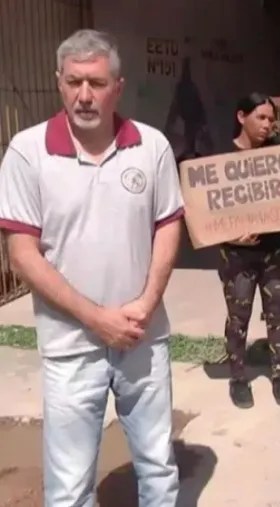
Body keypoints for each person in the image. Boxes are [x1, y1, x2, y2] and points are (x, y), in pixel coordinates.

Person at [0, 29, 181, 505]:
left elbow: (168, 227)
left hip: (143, 337)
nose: (85, 95)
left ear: (117, 87)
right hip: (69, 346)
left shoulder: (152, 146)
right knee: (69, 487)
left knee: (159, 469)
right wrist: (96, 318)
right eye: (75, 81)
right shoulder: (27, 152)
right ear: (59, 82)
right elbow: (22, 253)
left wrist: (144, 304)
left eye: (97, 83)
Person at [216, 92, 280, 409]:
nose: (267, 125)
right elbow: (207, 213)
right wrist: (233, 236)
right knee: (238, 318)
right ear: (241, 117)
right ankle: (238, 378)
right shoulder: (220, 159)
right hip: (237, 256)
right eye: (261, 117)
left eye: (271, 119)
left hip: (277, 252)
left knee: (277, 313)